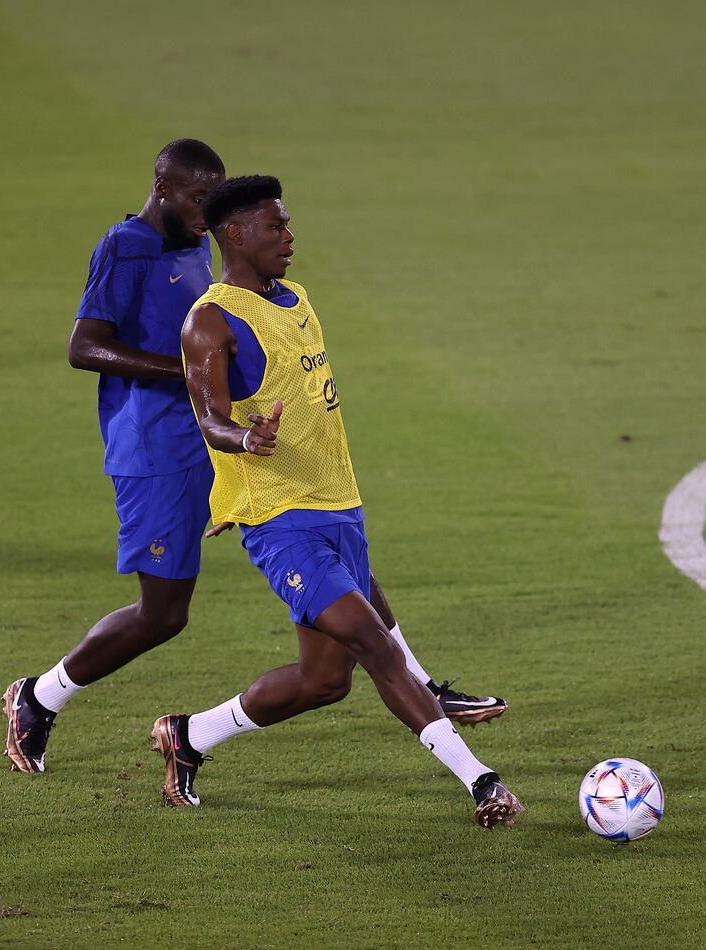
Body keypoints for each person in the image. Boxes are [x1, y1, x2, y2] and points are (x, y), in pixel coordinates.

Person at [2, 140, 505, 776]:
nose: (203, 208)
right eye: (194, 196)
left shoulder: (195, 246)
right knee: (164, 614)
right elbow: (84, 346)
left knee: (331, 543)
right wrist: (189, 374)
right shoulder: (127, 247)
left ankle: (421, 685)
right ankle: (40, 697)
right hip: (154, 448)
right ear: (161, 187)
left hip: (213, 440)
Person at [155, 175, 523, 828]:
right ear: (235, 235)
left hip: (340, 508)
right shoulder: (210, 321)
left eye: (288, 223)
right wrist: (247, 436)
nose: (289, 238)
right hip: (282, 524)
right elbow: (210, 417)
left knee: (325, 682)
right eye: (276, 227)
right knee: (373, 643)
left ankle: (189, 736)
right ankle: (481, 781)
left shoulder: (296, 299)